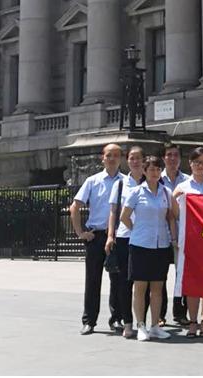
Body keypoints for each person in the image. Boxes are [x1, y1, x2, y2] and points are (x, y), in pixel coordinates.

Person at [120, 155, 178, 341]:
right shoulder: (136, 192)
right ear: (144, 171)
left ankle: (155, 326)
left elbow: (172, 216)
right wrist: (137, 230)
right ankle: (140, 325)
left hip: (161, 245)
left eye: (158, 169)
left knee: (157, 288)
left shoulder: (166, 192)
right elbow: (124, 217)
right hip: (140, 245)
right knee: (140, 287)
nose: (155, 172)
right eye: (151, 169)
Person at [70, 142, 124, 335]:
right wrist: (80, 233)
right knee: (92, 280)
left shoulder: (126, 182)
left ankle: (116, 318)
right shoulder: (92, 181)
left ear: (121, 159)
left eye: (116, 155)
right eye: (109, 155)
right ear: (103, 158)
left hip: (117, 236)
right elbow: (75, 207)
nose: (112, 159)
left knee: (117, 280)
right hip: (96, 235)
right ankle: (89, 320)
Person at [173, 146, 203, 338]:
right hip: (189, 240)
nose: (200, 166)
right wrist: (175, 199)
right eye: (196, 162)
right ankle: (192, 321)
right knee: (192, 281)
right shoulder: (183, 187)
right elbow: (173, 213)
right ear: (190, 164)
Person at [105, 144, 144, 339]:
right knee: (124, 283)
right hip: (124, 237)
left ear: (144, 160)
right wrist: (110, 235)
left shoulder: (152, 181)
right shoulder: (120, 184)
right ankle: (127, 322)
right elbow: (113, 211)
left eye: (138, 158)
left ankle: (142, 322)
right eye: (132, 158)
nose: (135, 161)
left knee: (143, 283)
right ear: (127, 161)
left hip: (145, 239)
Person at [159, 143, 187, 327]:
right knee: (160, 277)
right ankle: (160, 314)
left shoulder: (188, 180)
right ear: (163, 158)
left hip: (183, 235)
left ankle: (180, 313)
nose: (172, 158)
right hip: (161, 234)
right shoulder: (156, 179)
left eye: (176, 155)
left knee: (181, 276)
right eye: (169, 155)